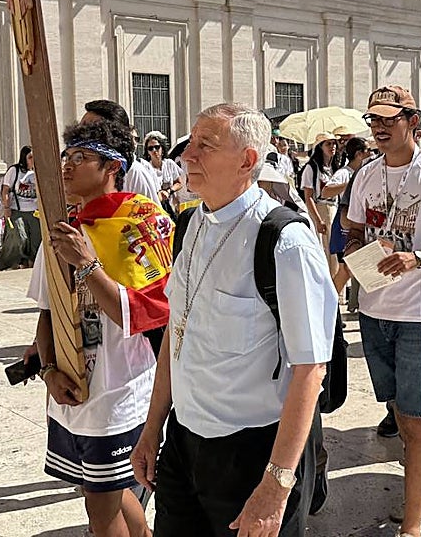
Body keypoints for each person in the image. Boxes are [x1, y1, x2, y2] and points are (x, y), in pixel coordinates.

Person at [131, 103, 336, 536]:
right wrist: (152, 428)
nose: (186, 155)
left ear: (247, 160)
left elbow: (310, 369)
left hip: (252, 453)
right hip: (183, 443)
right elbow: (177, 331)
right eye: (190, 143)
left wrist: (276, 485)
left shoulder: (285, 241)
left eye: (206, 145)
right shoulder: (189, 224)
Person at [34, 117, 170, 537]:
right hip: (72, 387)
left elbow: (146, 312)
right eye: (67, 157)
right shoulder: (61, 226)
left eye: (82, 157)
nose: (68, 166)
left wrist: (87, 264)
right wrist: (47, 371)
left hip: (120, 388)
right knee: (95, 486)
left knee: (101, 509)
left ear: (113, 166)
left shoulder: (140, 224)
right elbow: (46, 309)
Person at [344, 86, 421, 535]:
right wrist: (361, 250)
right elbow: (352, 230)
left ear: (412, 122)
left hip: (419, 314)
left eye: (387, 119)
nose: (377, 127)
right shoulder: (365, 175)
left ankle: (412, 525)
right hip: (375, 311)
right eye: (372, 119)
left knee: (418, 420)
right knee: (399, 411)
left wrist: (418, 258)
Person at [82, 100, 162, 202]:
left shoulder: (134, 173)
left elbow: (150, 214)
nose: (81, 134)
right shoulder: (79, 169)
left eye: (90, 129)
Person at [326, 137, 373, 300]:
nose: (371, 153)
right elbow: (325, 191)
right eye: (368, 150)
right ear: (359, 154)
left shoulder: (366, 172)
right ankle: (331, 305)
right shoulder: (345, 173)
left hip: (353, 225)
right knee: (344, 268)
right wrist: (351, 184)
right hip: (345, 226)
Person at [299, 133, 338, 267]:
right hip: (320, 209)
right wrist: (318, 220)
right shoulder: (311, 168)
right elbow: (308, 196)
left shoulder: (335, 167)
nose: (332, 146)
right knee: (324, 251)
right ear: (320, 147)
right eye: (328, 144)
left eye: (334, 143)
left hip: (334, 210)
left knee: (334, 253)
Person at [2, 146, 42, 267]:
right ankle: (12, 262)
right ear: (24, 158)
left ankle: (32, 263)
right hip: (17, 210)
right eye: (30, 157)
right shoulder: (14, 170)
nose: (32, 160)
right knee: (20, 236)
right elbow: (5, 190)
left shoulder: (38, 172)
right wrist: (6, 207)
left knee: (36, 240)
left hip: (34, 211)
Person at [142, 131, 185, 208]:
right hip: (154, 207)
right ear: (147, 151)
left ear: (162, 148)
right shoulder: (146, 168)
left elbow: (179, 183)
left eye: (157, 147)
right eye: (150, 148)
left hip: (171, 207)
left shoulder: (169, 164)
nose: (154, 150)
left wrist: (169, 191)